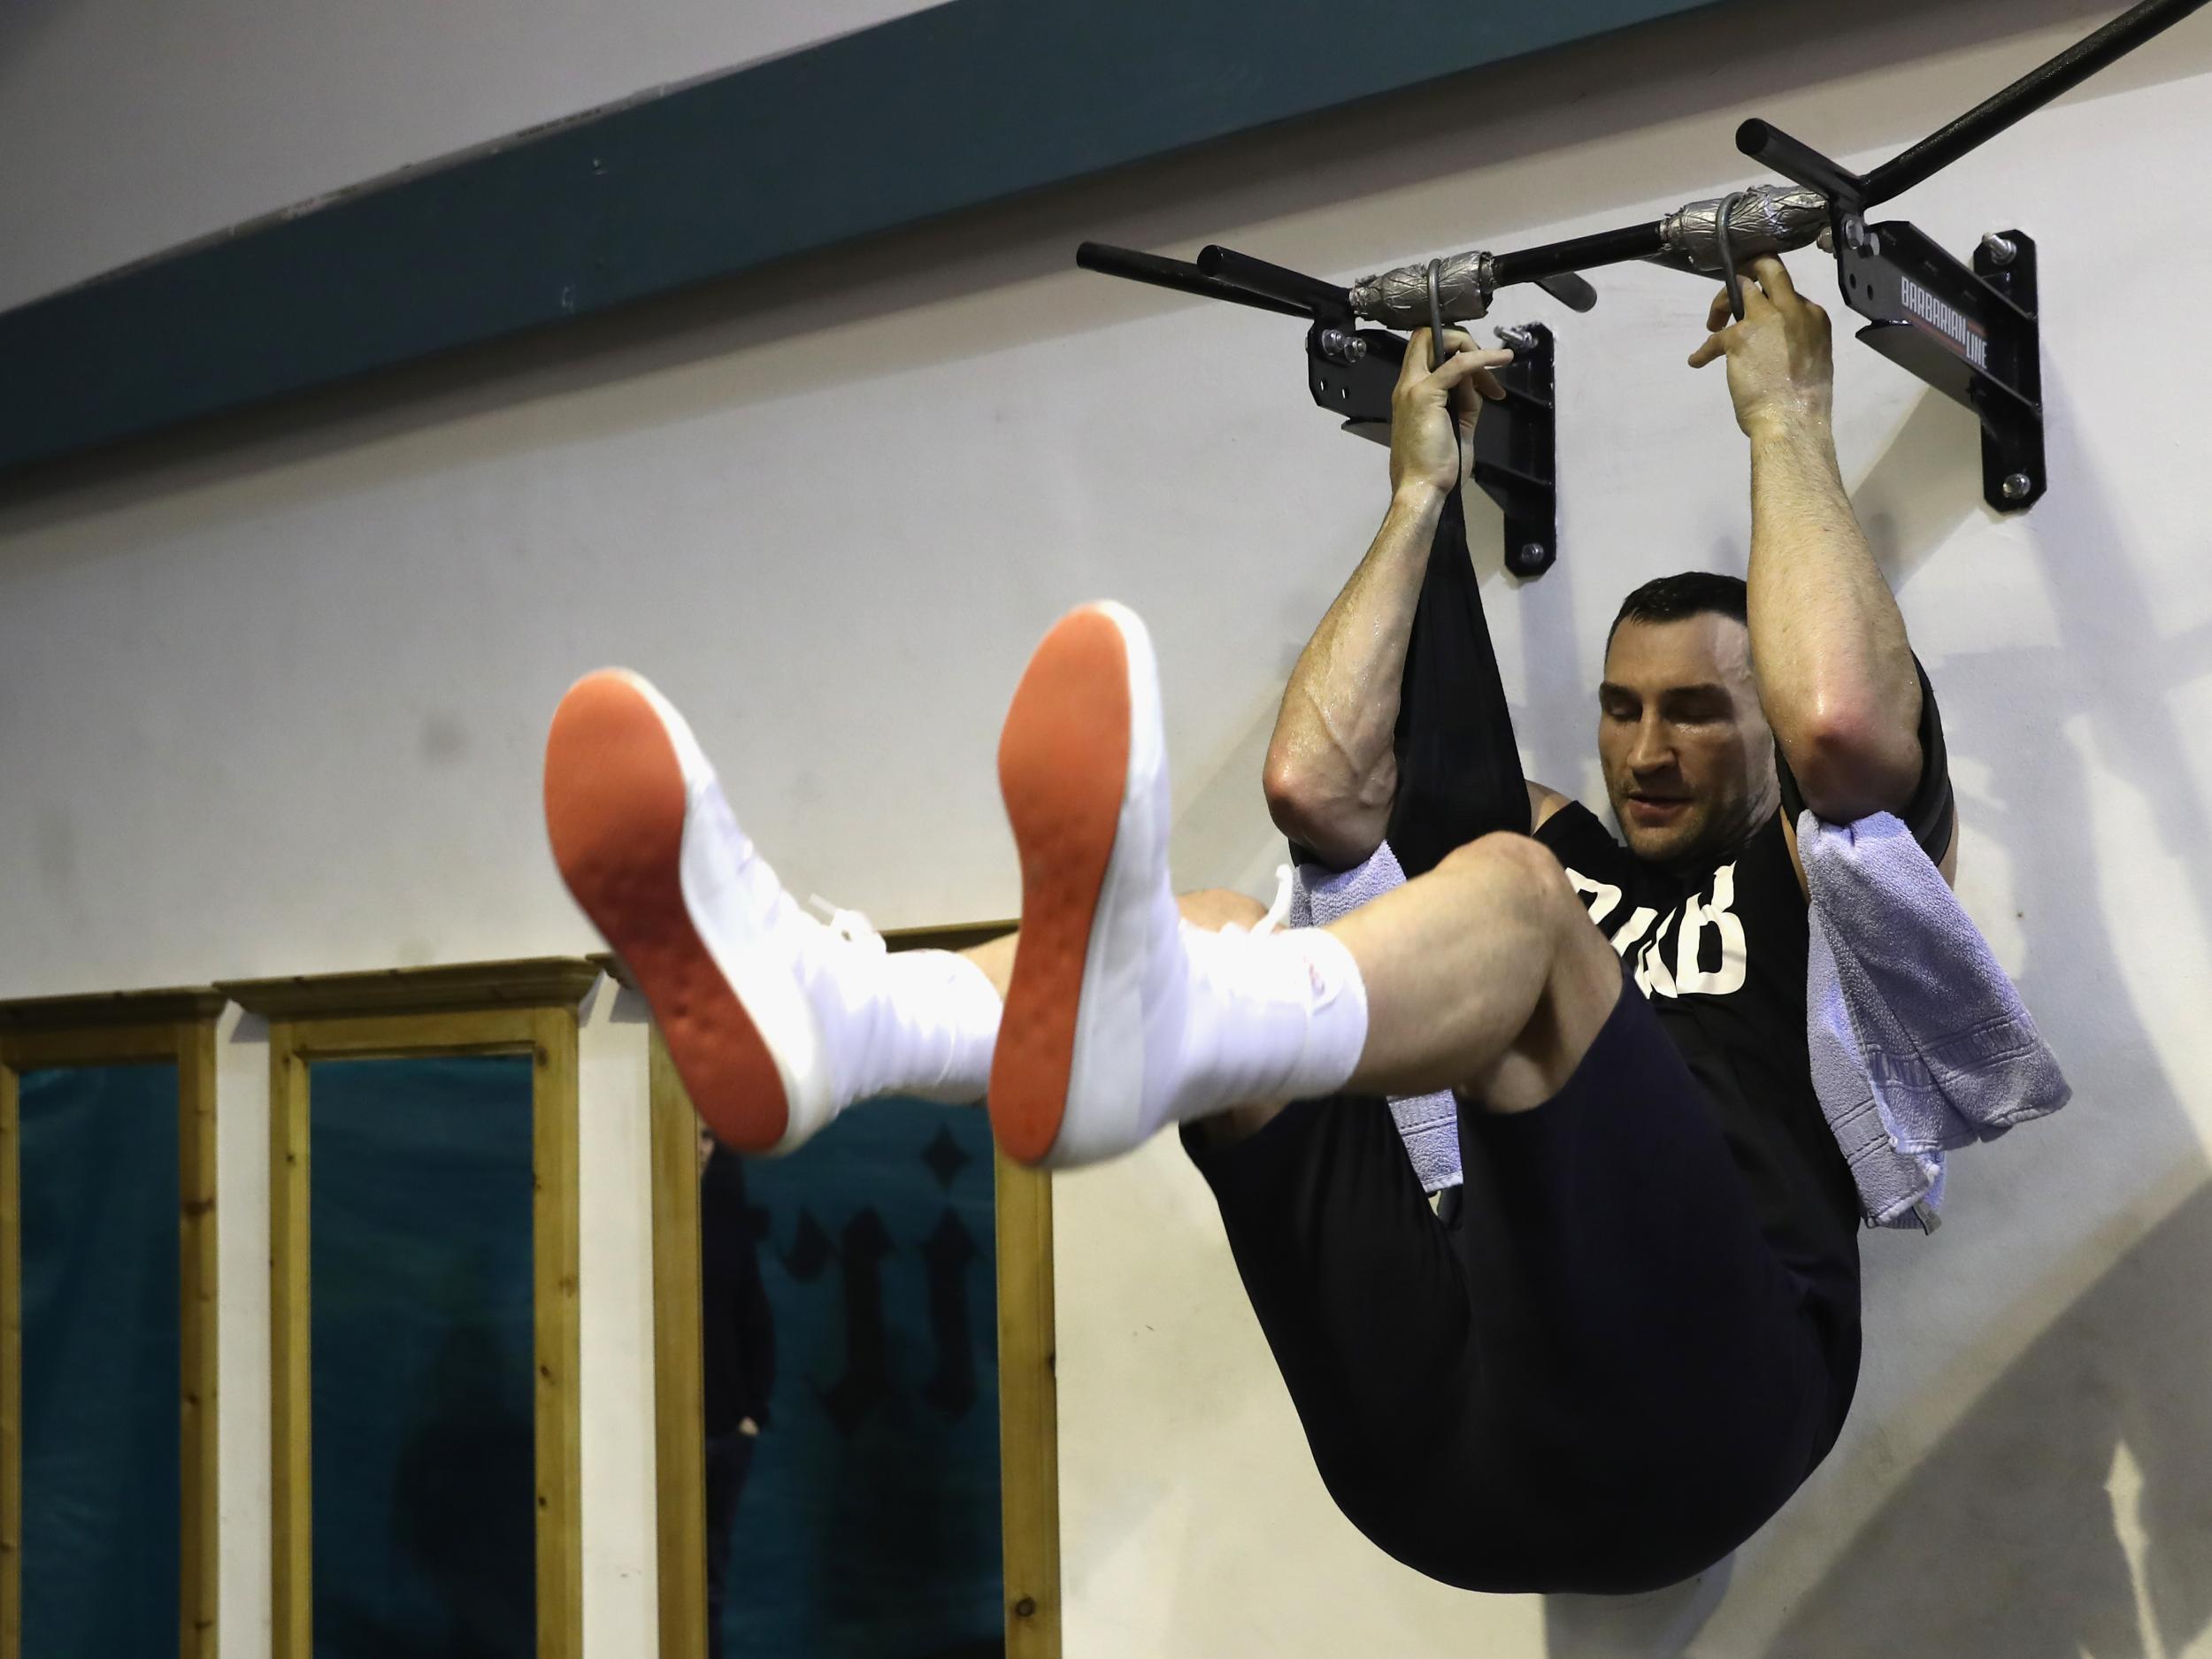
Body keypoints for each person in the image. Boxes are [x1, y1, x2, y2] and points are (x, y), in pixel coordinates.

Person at [541, 254, 1954, 1593]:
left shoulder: (1819, 873)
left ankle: (1138, 1032)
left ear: (1760, 722)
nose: (1645, 748)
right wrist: (1418, 495)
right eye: (1623, 707)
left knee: (1509, 910)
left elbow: (1839, 717)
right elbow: (1317, 785)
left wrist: (1787, 419)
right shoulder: (1556, 838)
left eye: (1696, 711)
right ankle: (851, 1020)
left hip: (1710, 1411)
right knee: (1224, 928)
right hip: (1441, 1458)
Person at [698, 1125, 774, 1658]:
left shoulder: (726, 1227)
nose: (698, 1147)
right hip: (656, 1430)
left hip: (723, 1431)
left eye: (707, 1138)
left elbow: (756, 1323)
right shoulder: (637, 1220)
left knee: (709, 1581)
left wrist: (751, 1416)